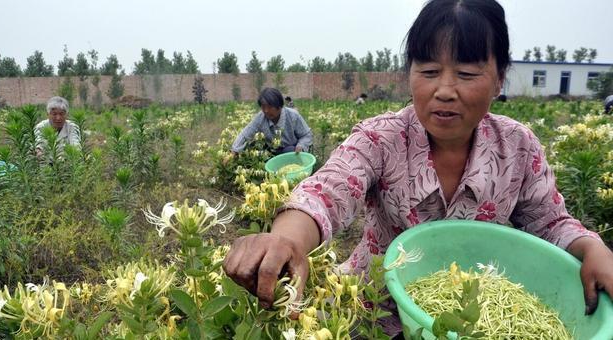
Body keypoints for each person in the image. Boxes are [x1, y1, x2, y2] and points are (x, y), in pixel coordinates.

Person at [223, 0, 613, 338]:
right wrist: (288, 240)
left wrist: (591, 248)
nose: (444, 89)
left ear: (499, 79)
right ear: (409, 74)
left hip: (471, 315)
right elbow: (327, 190)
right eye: (428, 71)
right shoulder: (381, 138)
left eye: (466, 73)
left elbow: (549, 221)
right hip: (371, 310)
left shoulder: (518, 147)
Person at [229, 88, 312, 157]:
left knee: (289, 151)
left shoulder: (293, 116)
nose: (266, 111)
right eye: (263, 107)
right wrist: (234, 151)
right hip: (271, 151)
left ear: (279, 106)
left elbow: (306, 134)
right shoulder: (260, 117)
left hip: (291, 150)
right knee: (253, 148)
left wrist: (301, 146)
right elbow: (246, 134)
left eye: (270, 107)